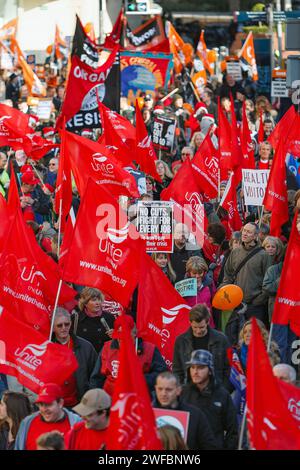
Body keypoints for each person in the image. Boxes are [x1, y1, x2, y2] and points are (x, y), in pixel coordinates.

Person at [90, 315, 167, 396]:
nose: (122, 341)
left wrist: (140, 379)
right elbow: (96, 378)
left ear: (135, 334)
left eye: (126, 338)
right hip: (110, 400)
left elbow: (163, 375)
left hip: (138, 399)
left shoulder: (149, 349)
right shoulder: (107, 348)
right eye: (119, 338)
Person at [181, 350, 238, 449]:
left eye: (200, 367)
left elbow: (233, 430)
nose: (195, 372)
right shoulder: (182, 393)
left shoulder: (222, 395)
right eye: (192, 367)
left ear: (210, 370)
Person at [220, 222, 272, 323]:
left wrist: (259, 300)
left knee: (253, 336)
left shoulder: (264, 255)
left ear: (256, 236)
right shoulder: (235, 252)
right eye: (244, 230)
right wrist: (228, 293)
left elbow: (268, 281)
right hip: (235, 303)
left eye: (248, 232)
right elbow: (227, 274)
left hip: (255, 306)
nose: (244, 233)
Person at [153, 372, 217, 450]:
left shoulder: (195, 414)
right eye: (160, 389)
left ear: (178, 390)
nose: (163, 393)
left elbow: (209, 446)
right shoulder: (145, 414)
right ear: (155, 389)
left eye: (168, 390)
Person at [172, 304, 231, 389]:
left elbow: (229, 369)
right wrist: (182, 391)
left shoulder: (222, 340)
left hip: (216, 389)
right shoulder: (180, 341)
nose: (198, 331)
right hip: (189, 391)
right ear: (190, 322)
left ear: (208, 322)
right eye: (195, 327)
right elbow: (177, 370)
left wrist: (223, 390)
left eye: (201, 327)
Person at [52, 308, 98, 406]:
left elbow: (96, 376)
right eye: (59, 325)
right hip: (55, 404)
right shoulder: (46, 347)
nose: (64, 328)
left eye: (67, 324)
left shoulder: (86, 347)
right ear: (52, 327)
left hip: (80, 403)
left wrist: (88, 399)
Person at [14, 383, 81, 450]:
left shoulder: (76, 424)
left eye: (48, 404)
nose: (44, 409)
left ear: (60, 403)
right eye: (41, 404)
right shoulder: (27, 423)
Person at [72, 287, 115, 353]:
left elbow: (115, 344)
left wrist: (115, 335)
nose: (98, 303)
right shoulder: (75, 319)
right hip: (84, 358)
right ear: (85, 303)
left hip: (103, 358)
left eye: (99, 299)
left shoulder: (109, 317)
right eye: (94, 300)